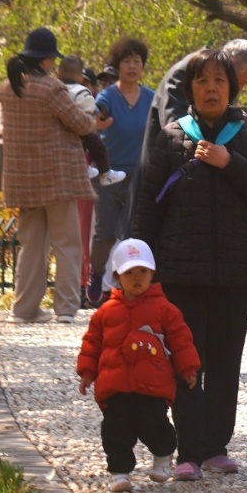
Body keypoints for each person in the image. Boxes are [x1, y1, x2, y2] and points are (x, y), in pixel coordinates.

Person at [133, 47, 247, 479]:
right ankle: (188, 452)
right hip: (181, 272)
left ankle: (217, 445)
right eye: (202, 82)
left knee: (225, 361)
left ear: (231, 87)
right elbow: (149, 205)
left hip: (234, 275)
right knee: (186, 361)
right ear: (191, 90)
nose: (211, 88)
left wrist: (228, 162)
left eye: (220, 81)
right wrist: (139, 263)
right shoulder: (173, 135)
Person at [76, 236, 201, 492]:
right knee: (114, 430)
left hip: (152, 385)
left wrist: (188, 367)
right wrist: (87, 372)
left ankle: (163, 455)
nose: (136, 277)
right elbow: (92, 343)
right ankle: (119, 471)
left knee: (155, 426)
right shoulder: (105, 313)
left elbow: (181, 340)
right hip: (115, 385)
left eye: (142, 271)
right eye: (129, 272)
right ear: (117, 276)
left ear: (152, 273)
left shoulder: (165, 309)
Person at [0, 27, 96, 324]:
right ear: (46, 60)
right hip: (56, 179)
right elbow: (80, 124)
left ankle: (24, 309)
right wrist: (92, 118)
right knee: (66, 243)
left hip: (23, 179)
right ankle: (66, 309)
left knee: (31, 244)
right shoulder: (51, 89)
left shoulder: (7, 88)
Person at [129, 38, 247, 222]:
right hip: (168, 187)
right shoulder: (186, 73)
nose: (239, 89)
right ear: (229, 63)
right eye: (241, 81)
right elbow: (179, 134)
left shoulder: (218, 84)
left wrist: (244, 130)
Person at [86, 36, 154, 304]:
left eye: (137, 61)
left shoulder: (150, 97)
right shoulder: (108, 96)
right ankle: (97, 274)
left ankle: (133, 286)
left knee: (135, 234)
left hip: (140, 175)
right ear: (118, 66)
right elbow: (97, 112)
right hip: (109, 175)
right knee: (106, 233)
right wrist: (99, 120)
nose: (132, 66)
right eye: (127, 61)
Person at [57, 53, 125, 307]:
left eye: (111, 79)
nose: (107, 83)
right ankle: (84, 286)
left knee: (107, 234)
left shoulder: (108, 104)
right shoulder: (84, 102)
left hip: (109, 176)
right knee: (83, 234)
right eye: (103, 79)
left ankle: (109, 286)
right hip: (83, 174)